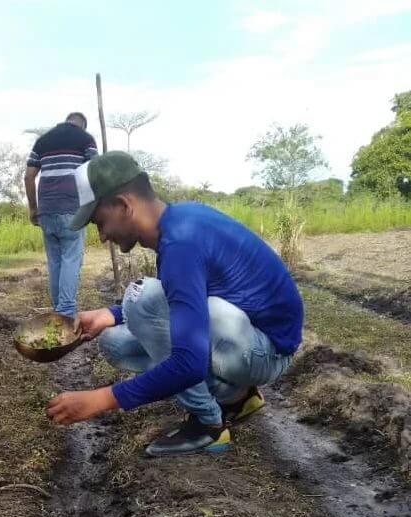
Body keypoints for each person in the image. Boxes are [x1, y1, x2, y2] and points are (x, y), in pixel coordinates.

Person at [46, 151, 303, 456]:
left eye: (99, 222)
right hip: (244, 340)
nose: (102, 236)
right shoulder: (181, 220)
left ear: (125, 205)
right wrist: (110, 315)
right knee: (115, 341)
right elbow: (183, 299)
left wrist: (101, 399)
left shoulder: (180, 242)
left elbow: (188, 362)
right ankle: (236, 397)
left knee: (140, 297)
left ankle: (207, 425)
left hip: (266, 348)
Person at [24, 113, 99, 318]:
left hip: (46, 210)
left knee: (55, 261)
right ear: (82, 125)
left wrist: (33, 208)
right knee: (71, 259)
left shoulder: (42, 141)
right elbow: (96, 171)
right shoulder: (85, 139)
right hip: (72, 208)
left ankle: (58, 312)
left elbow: (29, 176)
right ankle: (65, 312)